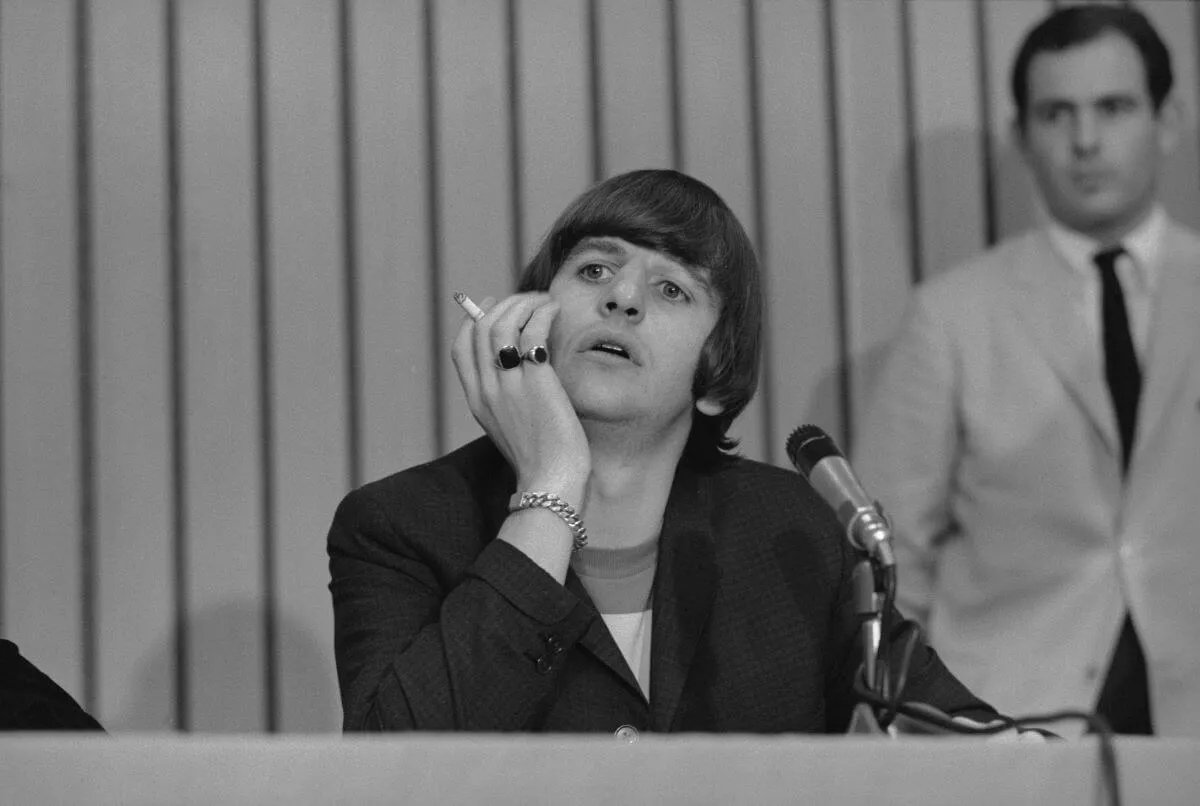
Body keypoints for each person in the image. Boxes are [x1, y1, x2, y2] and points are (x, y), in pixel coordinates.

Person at [327, 169, 1004, 734]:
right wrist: (553, 484)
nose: (621, 298)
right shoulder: (400, 526)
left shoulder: (794, 534)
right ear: (529, 318)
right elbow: (395, 766)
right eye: (594, 269)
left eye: (672, 288)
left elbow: (964, 739)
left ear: (718, 374)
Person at [854, 5, 1200, 738]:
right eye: (1056, 113)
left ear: (1167, 120)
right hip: (1013, 723)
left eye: (1113, 108)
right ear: (1022, 136)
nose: (1085, 140)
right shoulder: (949, 316)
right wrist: (917, 726)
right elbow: (889, 558)